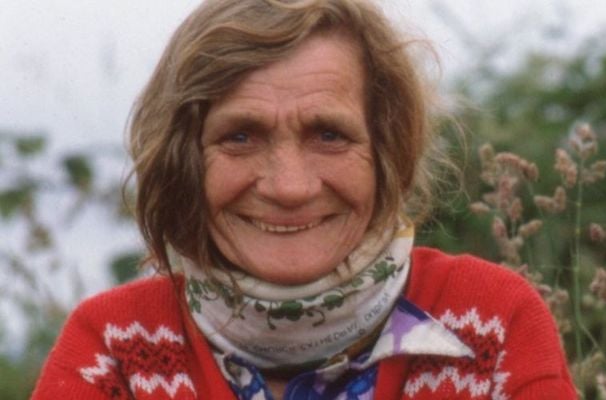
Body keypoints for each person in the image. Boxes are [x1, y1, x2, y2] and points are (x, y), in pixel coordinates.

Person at [32, 0, 577, 399]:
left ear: (387, 151)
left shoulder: (490, 323)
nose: (289, 186)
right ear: (185, 160)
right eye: (240, 136)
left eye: (329, 135)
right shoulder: (117, 347)